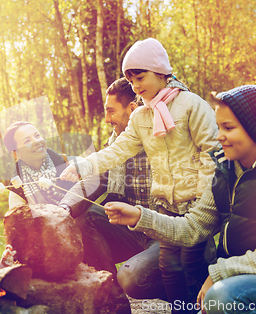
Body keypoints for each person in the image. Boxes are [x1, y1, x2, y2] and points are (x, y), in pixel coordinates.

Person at [104, 84, 256, 314]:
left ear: (254, 129)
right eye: (218, 127)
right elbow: (192, 227)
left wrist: (219, 273)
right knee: (221, 295)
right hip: (244, 280)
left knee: (221, 297)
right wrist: (140, 216)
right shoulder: (226, 171)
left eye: (228, 128)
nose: (219, 136)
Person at [61, 38, 219, 313]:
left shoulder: (191, 105)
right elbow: (117, 150)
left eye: (140, 77)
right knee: (169, 269)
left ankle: (200, 305)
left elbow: (212, 152)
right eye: (131, 81)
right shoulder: (141, 118)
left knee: (191, 267)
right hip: (165, 209)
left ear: (161, 72)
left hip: (194, 208)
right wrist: (83, 165)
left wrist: (203, 195)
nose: (136, 86)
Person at [2, 121, 76, 211]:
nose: (36, 141)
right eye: (27, 141)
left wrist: (79, 175)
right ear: (16, 153)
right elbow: (18, 221)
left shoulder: (67, 163)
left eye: (37, 136)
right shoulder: (18, 188)